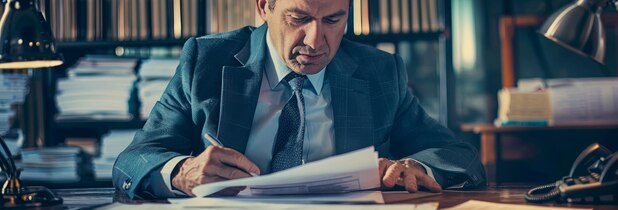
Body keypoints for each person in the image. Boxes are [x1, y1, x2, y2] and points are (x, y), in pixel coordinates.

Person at [113, 0, 486, 199]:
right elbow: (133, 159)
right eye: (299, 18)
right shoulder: (207, 62)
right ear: (264, 7)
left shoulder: (380, 72)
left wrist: (414, 167)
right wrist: (182, 173)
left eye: (333, 20)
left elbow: (457, 155)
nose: (315, 41)